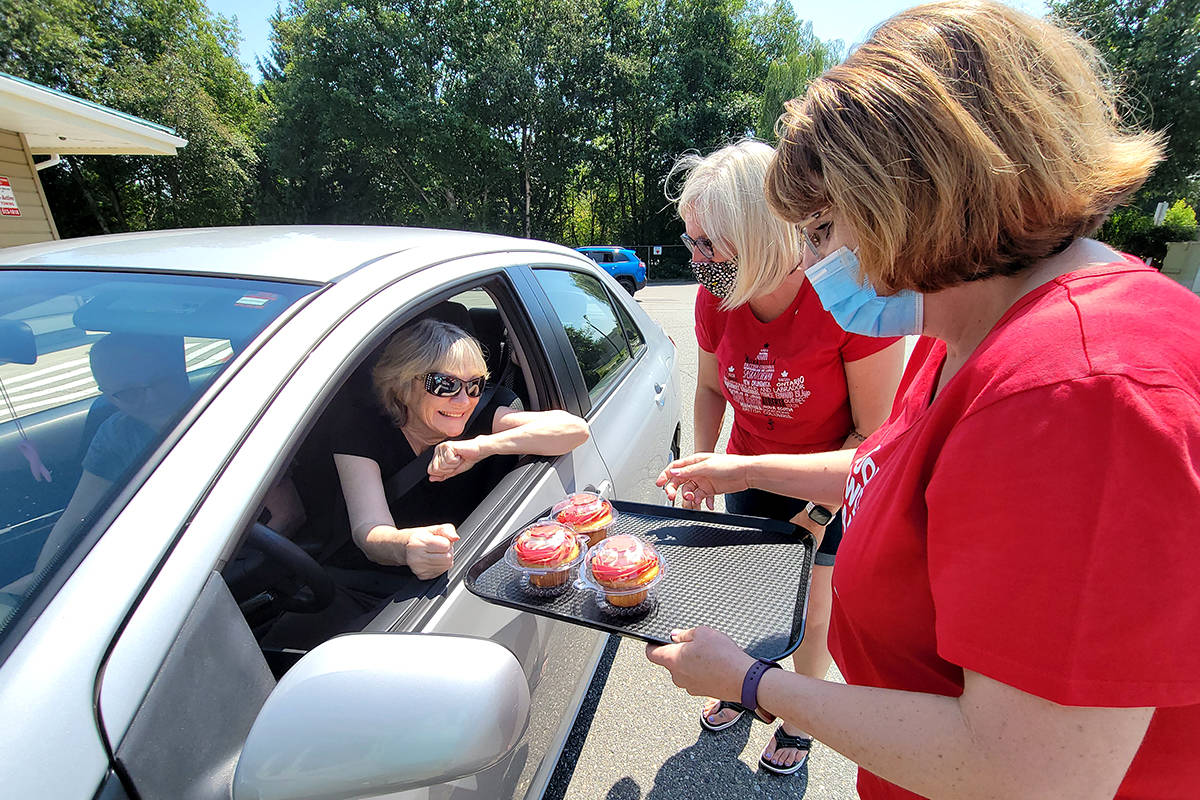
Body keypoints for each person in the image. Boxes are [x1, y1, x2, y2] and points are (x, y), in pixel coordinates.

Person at [648, 3, 1200, 798]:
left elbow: (1022, 776)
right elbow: (897, 477)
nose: (811, 258)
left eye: (824, 227)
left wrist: (751, 683)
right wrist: (743, 470)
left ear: (910, 203)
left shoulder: (1082, 395)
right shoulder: (968, 323)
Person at [665, 140, 905, 774]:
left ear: (761, 235)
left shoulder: (845, 301)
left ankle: (797, 716)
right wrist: (703, 463)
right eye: (691, 242)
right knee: (753, 592)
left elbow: (871, 438)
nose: (698, 260)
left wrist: (817, 516)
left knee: (812, 602)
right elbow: (712, 387)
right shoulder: (717, 295)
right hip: (747, 465)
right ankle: (747, 686)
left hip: (828, 479)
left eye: (710, 244)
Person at [330, 318, 589, 580]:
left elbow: (575, 429)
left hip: (469, 574)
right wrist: (407, 546)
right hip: (379, 586)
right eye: (445, 384)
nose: (464, 400)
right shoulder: (362, 434)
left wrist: (481, 447)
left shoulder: (480, 414)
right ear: (402, 384)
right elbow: (368, 529)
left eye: (474, 384)